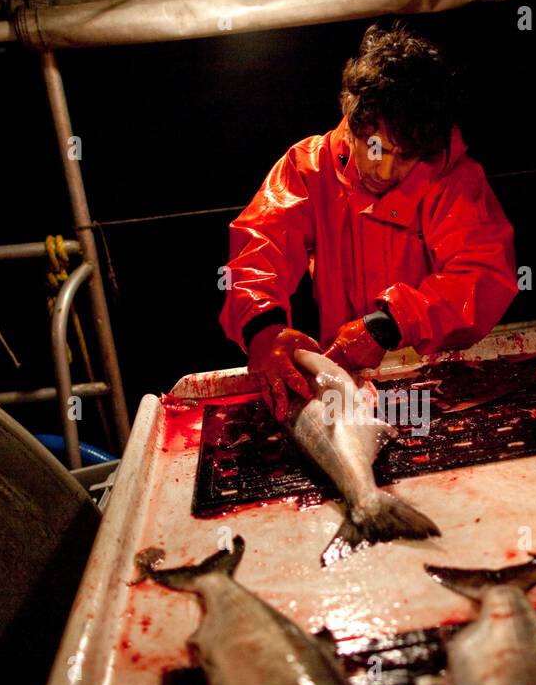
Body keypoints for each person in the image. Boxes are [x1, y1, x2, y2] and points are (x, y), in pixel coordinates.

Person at [220, 22, 519, 420]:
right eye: (376, 147)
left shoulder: (456, 179)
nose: (386, 168)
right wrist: (264, 331)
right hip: (343, 380)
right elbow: (260, 248)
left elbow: (483, 274)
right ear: (353, 121)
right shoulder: (307, 167)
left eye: (406, 155)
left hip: (435, 376)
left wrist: (388, 325)